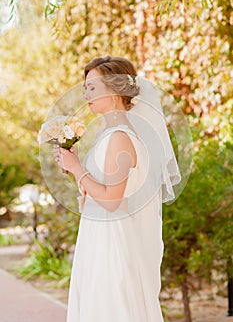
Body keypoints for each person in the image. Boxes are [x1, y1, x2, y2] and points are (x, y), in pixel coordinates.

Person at [52, 55, 181, 322]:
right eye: (85, 87)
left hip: (112, 245)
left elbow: (112, 200)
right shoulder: (111, 134)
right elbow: (101, 192)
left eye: (92, 87)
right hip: (99, 237)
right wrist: (74, 168)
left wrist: (78, 168)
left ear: (114, 90)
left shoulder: (120, 138)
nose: (85, 94)